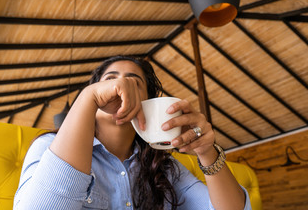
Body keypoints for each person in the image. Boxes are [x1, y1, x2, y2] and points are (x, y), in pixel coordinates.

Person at [14, 55, 251, 210]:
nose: (120, 88)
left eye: (134, 83)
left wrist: (207, 152)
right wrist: (88, 97)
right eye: (110, 80)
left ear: (148, 104)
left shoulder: (163, 167)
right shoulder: (48, 147)